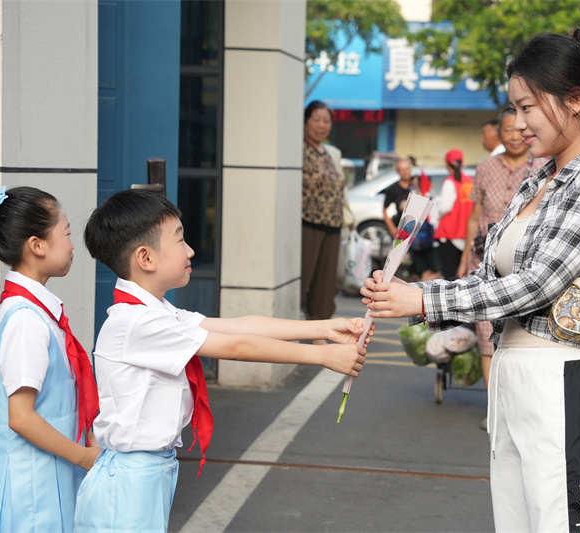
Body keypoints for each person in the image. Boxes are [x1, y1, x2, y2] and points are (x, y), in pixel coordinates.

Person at [361, 28, 580, 532]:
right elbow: (492, 273)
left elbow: (537, 283)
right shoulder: (540, 179)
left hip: (571, 378)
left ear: (574, 100)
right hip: (519, 376)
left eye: (527, 107)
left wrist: (423, 299)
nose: (517, 124)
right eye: (512, 110)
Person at [75, 189, 371, 531]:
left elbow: (239, 327)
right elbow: (238, 346)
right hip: (130, 479)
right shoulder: (137, 322)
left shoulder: (154, 313)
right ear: (146, 258)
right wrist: (322, 354)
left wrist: (327, 327)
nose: (191, 250)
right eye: (180, 240)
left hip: (144, 473)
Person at [0, 186, 100, 532]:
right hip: (28, 496)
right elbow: (21, 418)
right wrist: (83, 457)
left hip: (39, 483)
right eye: (66, 233)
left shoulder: (34, 312)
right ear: (37, 246)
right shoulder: (26, 321)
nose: (72, 245)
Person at [457, 113, 548, 430]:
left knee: (520, 332)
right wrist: (464, 257)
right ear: (499, 134)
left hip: (524, 264)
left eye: (518, 129)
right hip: (483, 260)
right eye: (506, 130)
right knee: (485, 333)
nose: (513, 135)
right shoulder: (484, 168)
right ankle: (494, 407)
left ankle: (521, 409)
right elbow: (474, 215)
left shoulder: (542, 168)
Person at [301, 100, 345, 322]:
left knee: (326, 284)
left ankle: (319, 328)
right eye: (316, 120)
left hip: (333, 225)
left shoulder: (330, 153)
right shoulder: (298, 149)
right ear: (306, 121)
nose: (322, 125)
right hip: (308, 224)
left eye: (326, 121)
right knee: (304, 279)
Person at [432, 149, 474, 281]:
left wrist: (435, 217)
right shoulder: (469, 181)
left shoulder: (449, 182)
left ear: (447, 164)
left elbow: (445, 207)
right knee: (463, 275)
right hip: (466, 234)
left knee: (449, 275)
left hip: (449, 233)